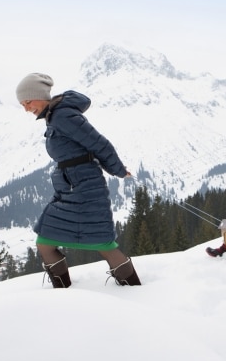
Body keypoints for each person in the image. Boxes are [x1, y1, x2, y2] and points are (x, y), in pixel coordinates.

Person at [16, 72, 141, 287]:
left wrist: (118, 169)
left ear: (40, 96)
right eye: (22, 104)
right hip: (72, 188)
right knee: (46, 240)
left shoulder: (62, 116)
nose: (26, 108)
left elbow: (98, 143)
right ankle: (64, 293)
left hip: (84, 188)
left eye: (28, 102)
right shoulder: (54, 116)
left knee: (102, 242)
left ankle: (133, 290)